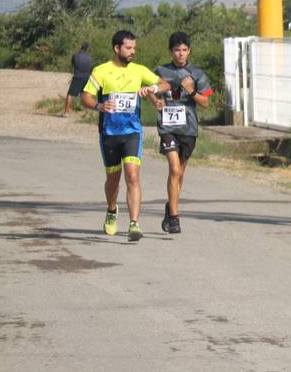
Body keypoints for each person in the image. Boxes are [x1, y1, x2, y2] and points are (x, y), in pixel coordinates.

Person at [80, 30, 170, 242]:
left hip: (132, 132)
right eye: (128, 48)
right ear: (117, 48)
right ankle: (112, 210)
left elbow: (164, 84)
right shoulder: (101, 71)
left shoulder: (139, 71)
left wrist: (152, 88)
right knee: (113, 178)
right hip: (109, 133)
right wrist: (100, 105)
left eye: (134, 48)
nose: (132, 52)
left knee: (132, 175)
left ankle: (134, 223)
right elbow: (85, 97)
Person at [151, 32, 213, 234]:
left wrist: (193, 92)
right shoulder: (161, 71)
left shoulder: (197, 73)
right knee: (174, 169)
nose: (181, 54)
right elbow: (151, 90)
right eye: (177, 50)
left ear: (189, 51)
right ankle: (175, 219)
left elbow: (205, 103)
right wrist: (156, 101)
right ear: (171, 51)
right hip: (167, 128)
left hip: (188, 128)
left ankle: (171, 206)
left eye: (184, 50)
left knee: (180, 173)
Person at [62, 42, 93, 116]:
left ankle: (66, 112)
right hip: (87, 77)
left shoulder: (75, 55)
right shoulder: (90, 58)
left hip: (78, 76)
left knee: (70, 94)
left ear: (80, 47)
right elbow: (90, 68)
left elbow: (73, 64)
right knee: (85, 95)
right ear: (88, 48)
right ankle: (87, 113)